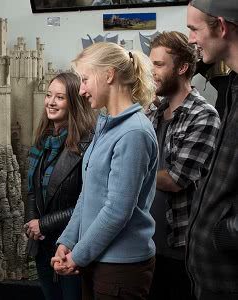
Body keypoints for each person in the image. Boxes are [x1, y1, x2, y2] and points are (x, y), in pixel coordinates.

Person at [51, 42, 158, 300]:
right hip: (97, 260)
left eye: (85, 79)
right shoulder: (106, 126)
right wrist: (67, 242)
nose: (82, 89)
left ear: (109, 75)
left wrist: (78, 255)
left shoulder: (134, 132)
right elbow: (87, 195)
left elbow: (117, 210)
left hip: (121, 268)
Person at [146, 31, 220, 300]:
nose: (151, 71)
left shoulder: (204, 116)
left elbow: (175, 180)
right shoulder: (153, 111)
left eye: (158, 65)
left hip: (179, 247)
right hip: (146, 243)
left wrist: (127, 171)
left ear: (182, 68)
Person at [24, 72, 97, 300]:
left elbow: (87, 203)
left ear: (74, 103)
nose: (51, 102)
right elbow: (32, 190)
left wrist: (44, 224)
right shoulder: (42, 142)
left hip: (71, 246)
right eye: (48, 95)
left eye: (60, 97)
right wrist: (33, 225)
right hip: (42, 245)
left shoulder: (87, 144)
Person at [186, 1, 238, 299]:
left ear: (221, 26)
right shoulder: (231, 86)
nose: (190, 38)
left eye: (194, 29)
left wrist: (219, 234)